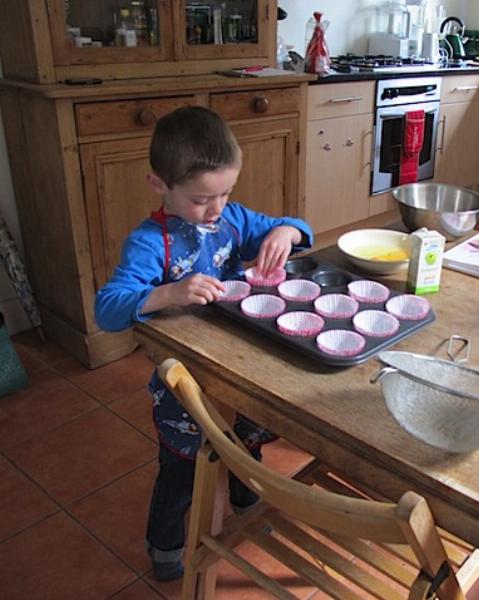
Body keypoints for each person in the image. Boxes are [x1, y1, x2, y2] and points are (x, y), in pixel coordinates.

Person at [95, 106, 313, 581]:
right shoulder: (150, 242)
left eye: (226, 192)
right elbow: (107, 307)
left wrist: (284, 231)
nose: (215, 210)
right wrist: (168, 292)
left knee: (245, 444)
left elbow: (296, 225)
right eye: (200, 200)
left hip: (239, 365)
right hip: (187, 383)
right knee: (182, 472)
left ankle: (245, 499)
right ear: (160, 186)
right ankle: (165, 545)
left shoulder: (231, 218)